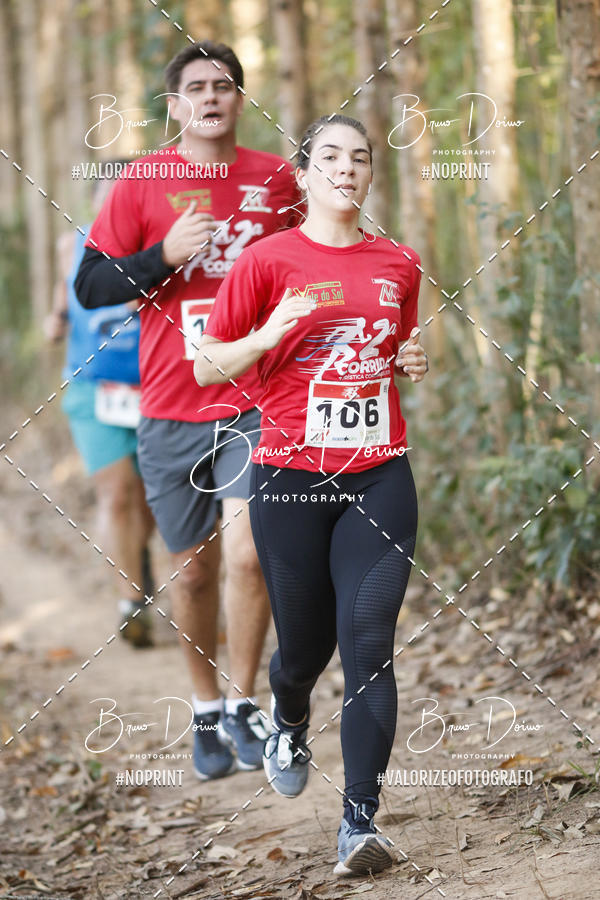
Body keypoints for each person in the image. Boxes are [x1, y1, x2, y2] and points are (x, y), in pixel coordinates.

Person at [195, 114, 428, 875]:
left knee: (369, 639)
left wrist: (409, 359)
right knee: (304, 646)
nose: (346, 167)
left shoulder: (398, 261)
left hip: (378, 472)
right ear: (302, 175)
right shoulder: (266, 261)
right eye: (329, 155)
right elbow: (206, 367)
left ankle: (359, 824)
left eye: (359, 157)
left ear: (370, 174)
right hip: (290, 476)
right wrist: (267, 337)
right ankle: (288, 713)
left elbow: (392, 348)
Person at [75, 41, 302, 779]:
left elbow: (317, 260)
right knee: (194, 574)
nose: (211, 96)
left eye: (224, 86)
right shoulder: (141, 182)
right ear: (174, 106)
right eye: (196, 87)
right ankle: (205, 707)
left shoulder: (276, 180)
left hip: (255, 397)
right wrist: (162, 257)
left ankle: (243, 702)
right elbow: (90, 286)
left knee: (249, 554)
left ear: (240, 99)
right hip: (171, 404)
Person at [46, 173, 155, 648]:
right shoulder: (70, 245)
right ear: (92, 202)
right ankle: (131, 603)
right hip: (92, 387)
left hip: (156, 389)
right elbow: (62, 303)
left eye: (125, 197)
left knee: (149, 502)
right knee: (116, 494)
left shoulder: (161, 245)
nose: (115, 206)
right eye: (106, 198)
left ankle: (137, 556)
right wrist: (55, 322)